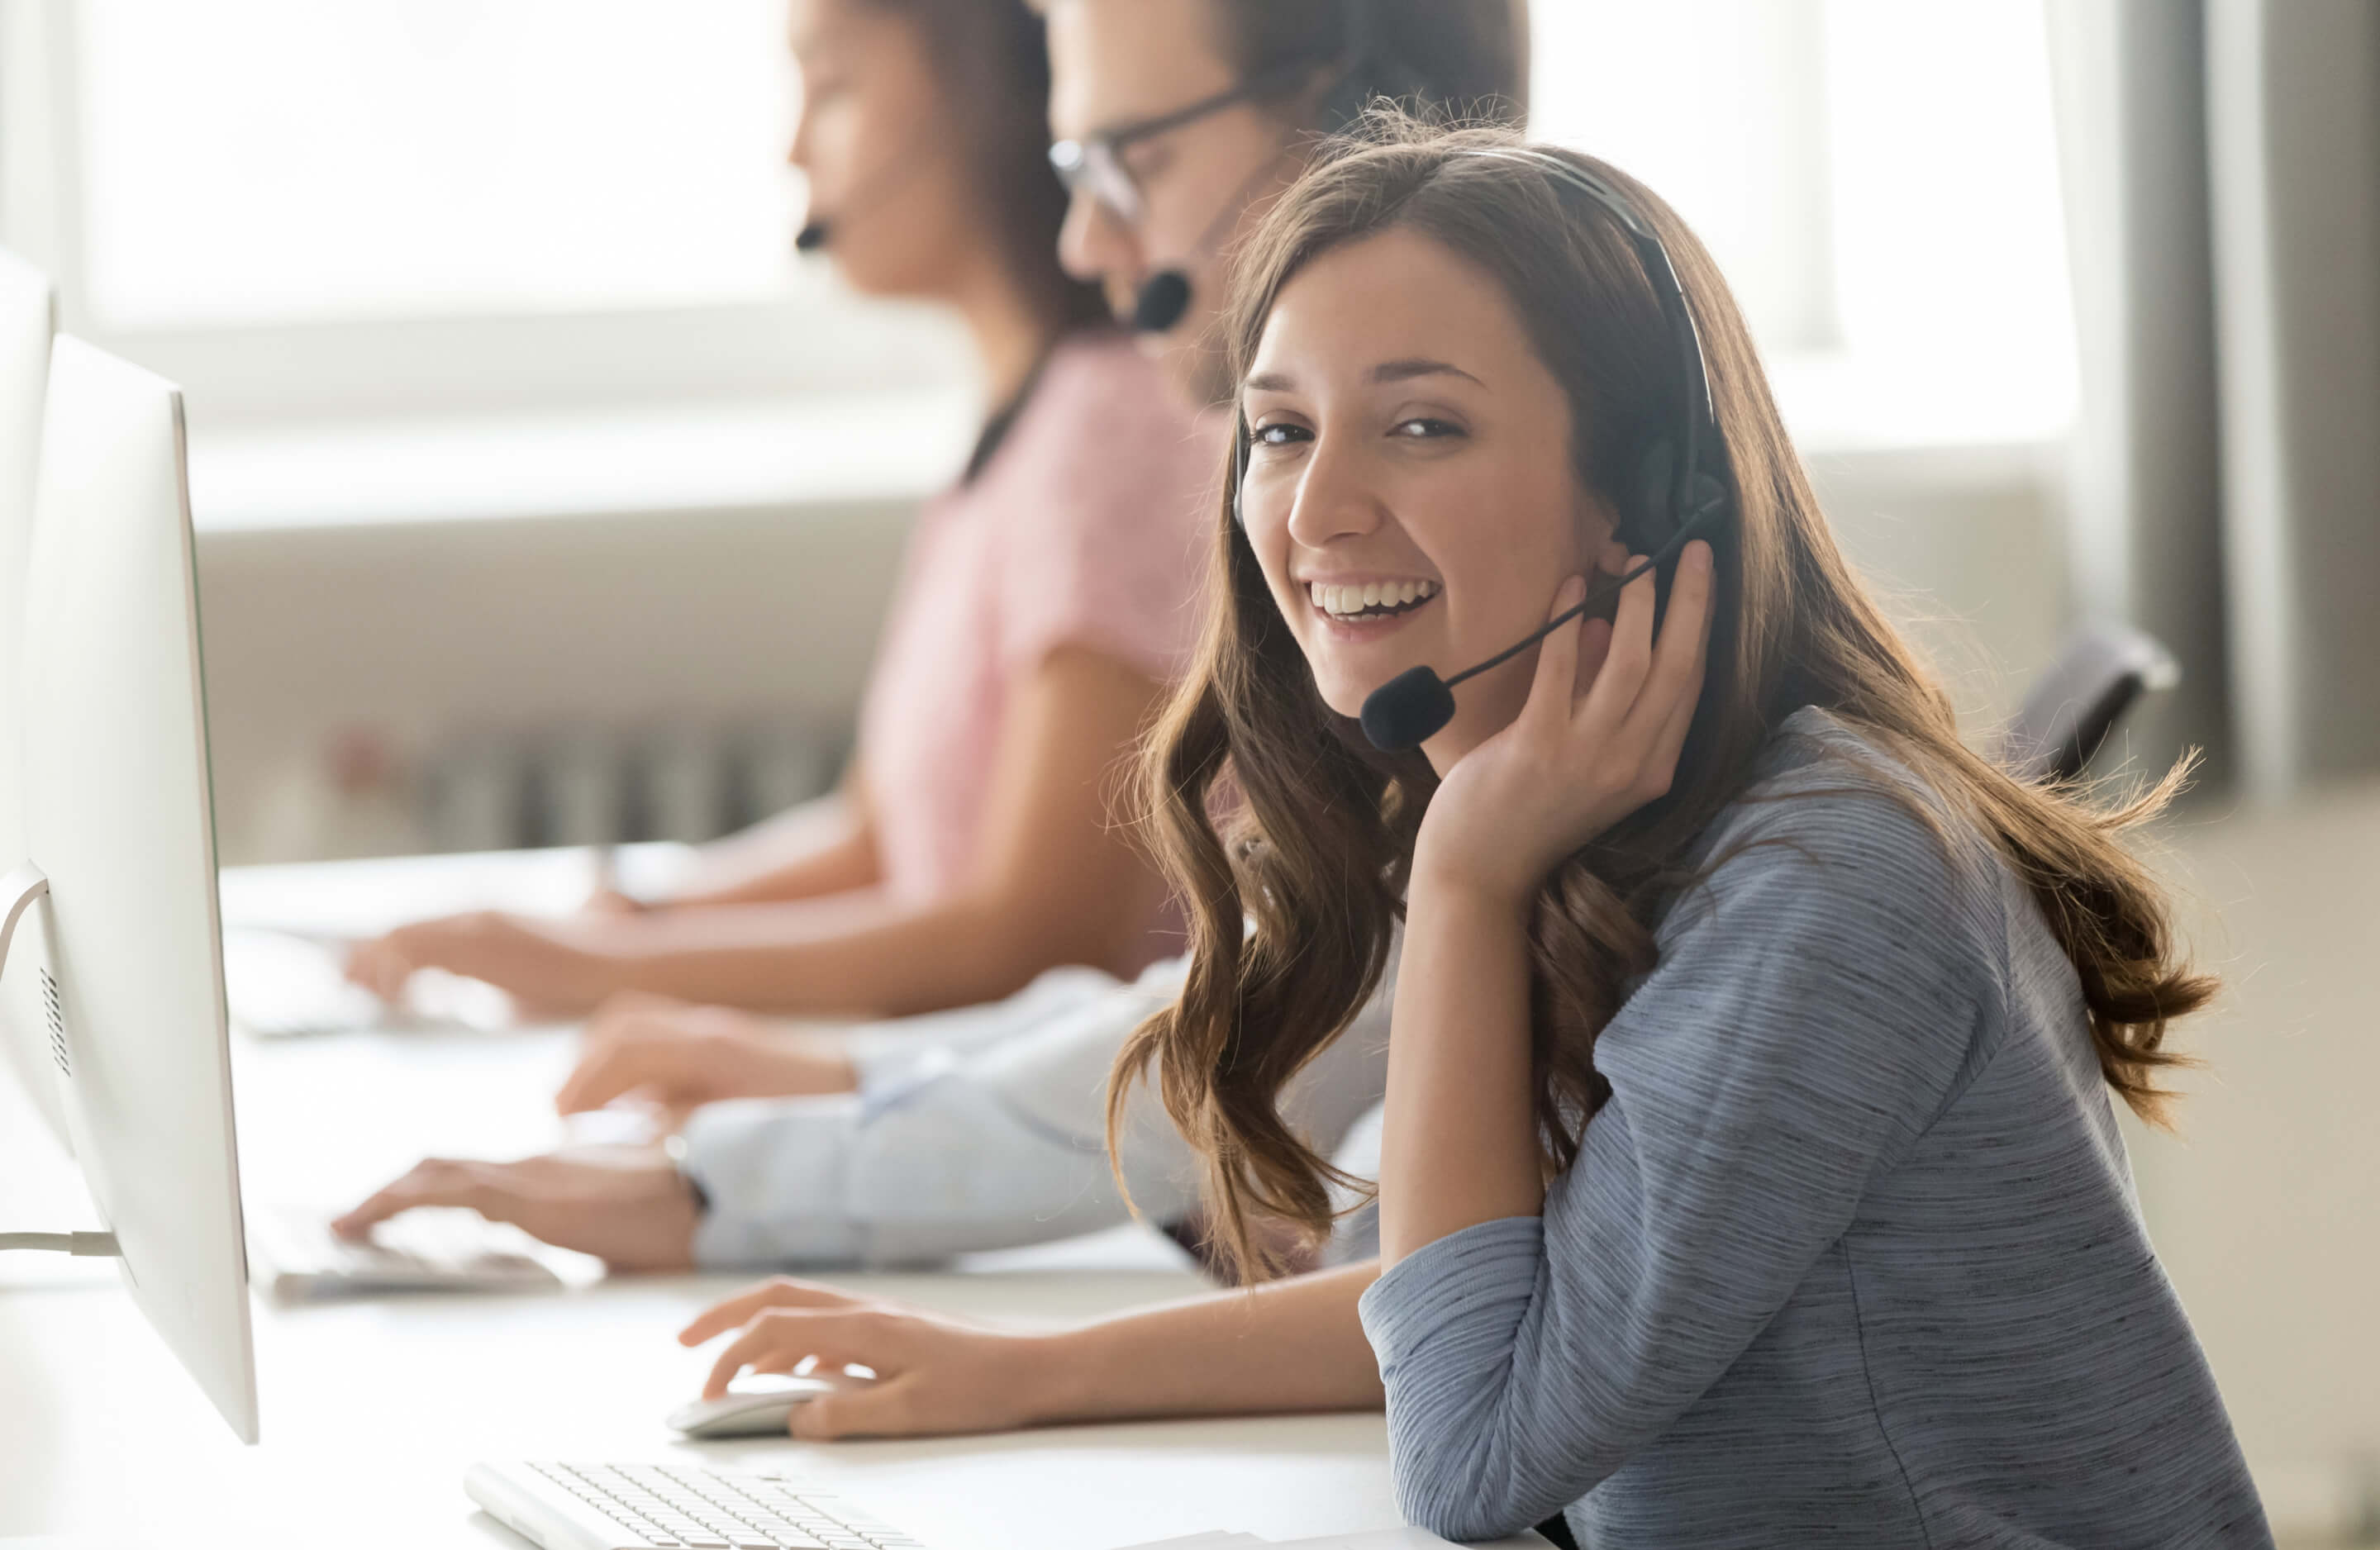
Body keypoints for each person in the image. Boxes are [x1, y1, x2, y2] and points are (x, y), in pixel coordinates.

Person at [674, 121, 2275, 1548]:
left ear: (1644, 496)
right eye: (1282, 429)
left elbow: (1476, 1442)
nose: (1315, 513)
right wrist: (1014, 1374)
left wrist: (1465, 882)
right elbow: (1489, 1297)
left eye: (1422, 427)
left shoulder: (1819, 884)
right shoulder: (1612, 813)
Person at [336, 0, 1530, 1272]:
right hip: (1152, 1225)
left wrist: (728, 1136)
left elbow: (1061, 947)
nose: (1085, 237)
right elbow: (1229, 1012)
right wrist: (763, 1049)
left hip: (1186, 1260)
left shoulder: (1176, 469)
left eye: (1140, 157)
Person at [340, 0, 1215, 1025]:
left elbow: (1030, 940)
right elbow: (879, 840)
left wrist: (597, 973)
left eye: (834, 87)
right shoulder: (1019, 434)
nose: (796, 147)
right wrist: (629, 924)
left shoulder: (1109, 429)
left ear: (985, 100)